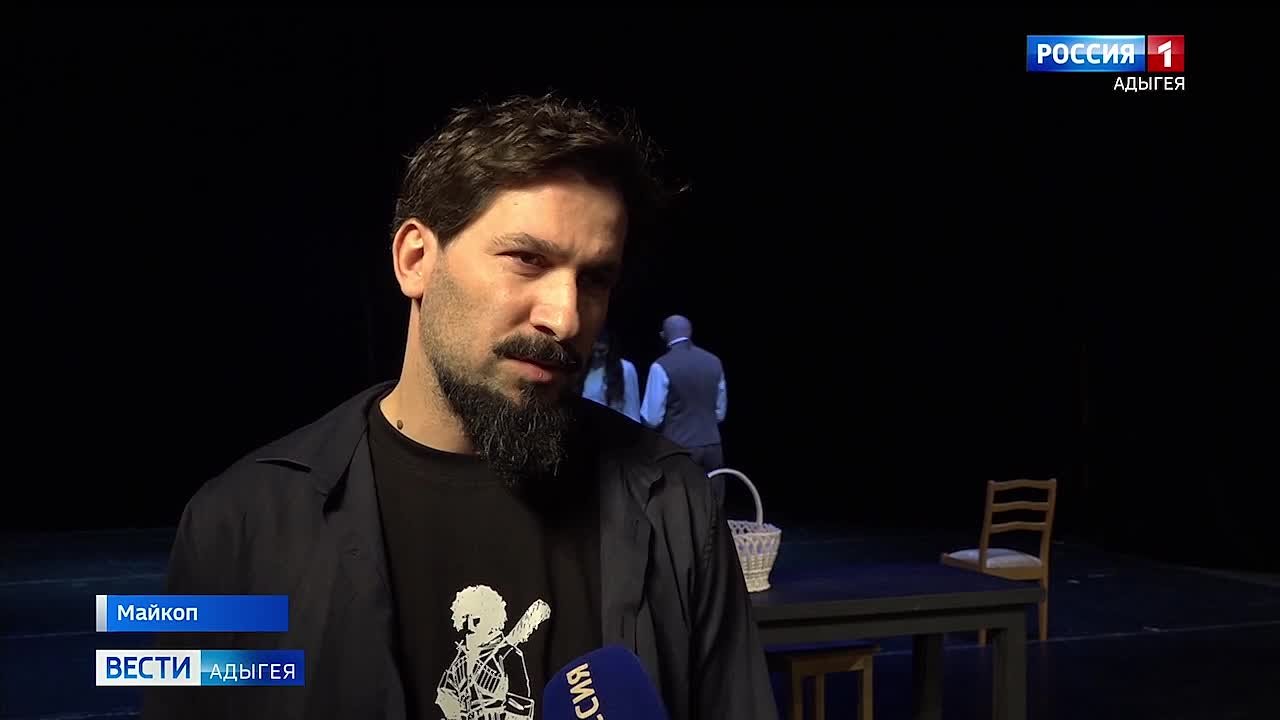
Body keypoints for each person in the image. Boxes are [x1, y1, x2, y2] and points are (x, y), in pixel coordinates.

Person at [143, 95, 776, 720]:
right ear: (415, 260)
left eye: (595, 279)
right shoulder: (240, 525)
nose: (565, 317)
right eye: (527, 259)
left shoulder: (676, 507)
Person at [640, 315, 728, 485]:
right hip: (713, 446)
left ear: (664, 335)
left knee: (680, 498)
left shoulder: (661, 365)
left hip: (678, 447)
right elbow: (720, 413)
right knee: (713, 497)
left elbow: (652, 419)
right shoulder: (714, 361)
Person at [580, 328, 641, 422]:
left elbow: (632, 411)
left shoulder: (625, 368)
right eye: (593, 351)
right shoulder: (582, 367)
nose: (596, 355)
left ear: (609, 347)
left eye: (601, 351)